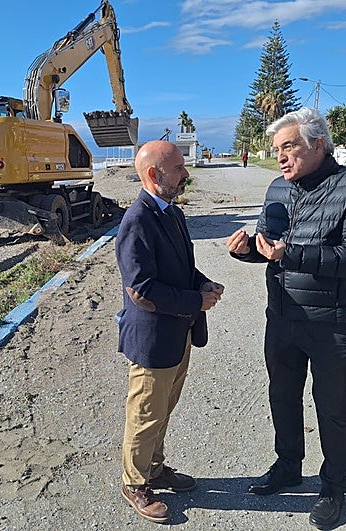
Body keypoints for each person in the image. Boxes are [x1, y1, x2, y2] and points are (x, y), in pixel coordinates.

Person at [226, 108, 346, 530]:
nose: (280, 156)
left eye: (289, 147)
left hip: (332, 322)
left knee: (333, 408)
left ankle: (333, 487)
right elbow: (269, 247)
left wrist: (291, 254)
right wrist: (246, 251)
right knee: (282, 396)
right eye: (277, 149)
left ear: (318, 144)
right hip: (282, 316)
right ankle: (287, 466)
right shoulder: (278, 187)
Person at [115, 140, 224, 523]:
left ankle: (154, 468)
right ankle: (134, 483)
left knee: (162, 409)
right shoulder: (137, 221)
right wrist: (195, 301)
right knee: (145, 413)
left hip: (177, 334)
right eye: (178, 168)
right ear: (153, 175)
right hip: (153, 340)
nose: (186, 174)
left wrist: (202, 283)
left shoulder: (171, 212)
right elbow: (141, 289)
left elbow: (180, 267)